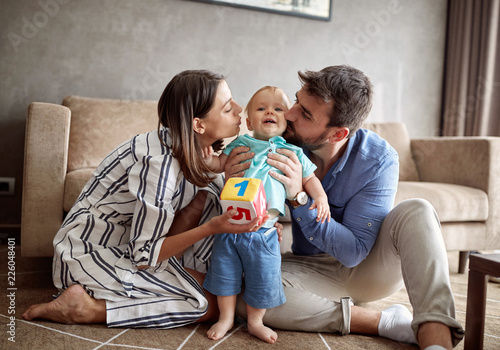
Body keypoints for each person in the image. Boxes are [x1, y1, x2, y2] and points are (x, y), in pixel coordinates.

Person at [224, 66, 464, 350]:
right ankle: (383, 322)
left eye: (305, 113)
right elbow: (239, 185)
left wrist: (301, 198)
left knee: (418, 210)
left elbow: (354, 252)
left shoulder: (378, 159)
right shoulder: (280, 141)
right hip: (308, 266)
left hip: (368, 268)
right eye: (298, 101)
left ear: (338, 134)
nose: (289, 114)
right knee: (241, 293)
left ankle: (435, 337)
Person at [22, 70, 272, 329]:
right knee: (208, 302)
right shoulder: (159, 165)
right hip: (91, 255)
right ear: (199, 125)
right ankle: (88, 309)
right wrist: (213, 228)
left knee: (221, 284)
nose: (240, 109)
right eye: (228, 107)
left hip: (129, 247)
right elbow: (144, 255)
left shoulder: (192, 150)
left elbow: (217, 207)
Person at [202, 86, 330, 343]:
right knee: (224, 273)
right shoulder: (239, 143)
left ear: (287, 123)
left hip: (265, 230)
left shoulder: (293, 153)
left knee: (264, 277)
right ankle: (225, 317)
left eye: (278, 108)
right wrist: (207, 160)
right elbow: (219, 165)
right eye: (261, 108)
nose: (269, 111)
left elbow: (310, 179)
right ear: (249, 121)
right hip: (229, 224)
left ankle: (255, 321)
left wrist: (321, 197)